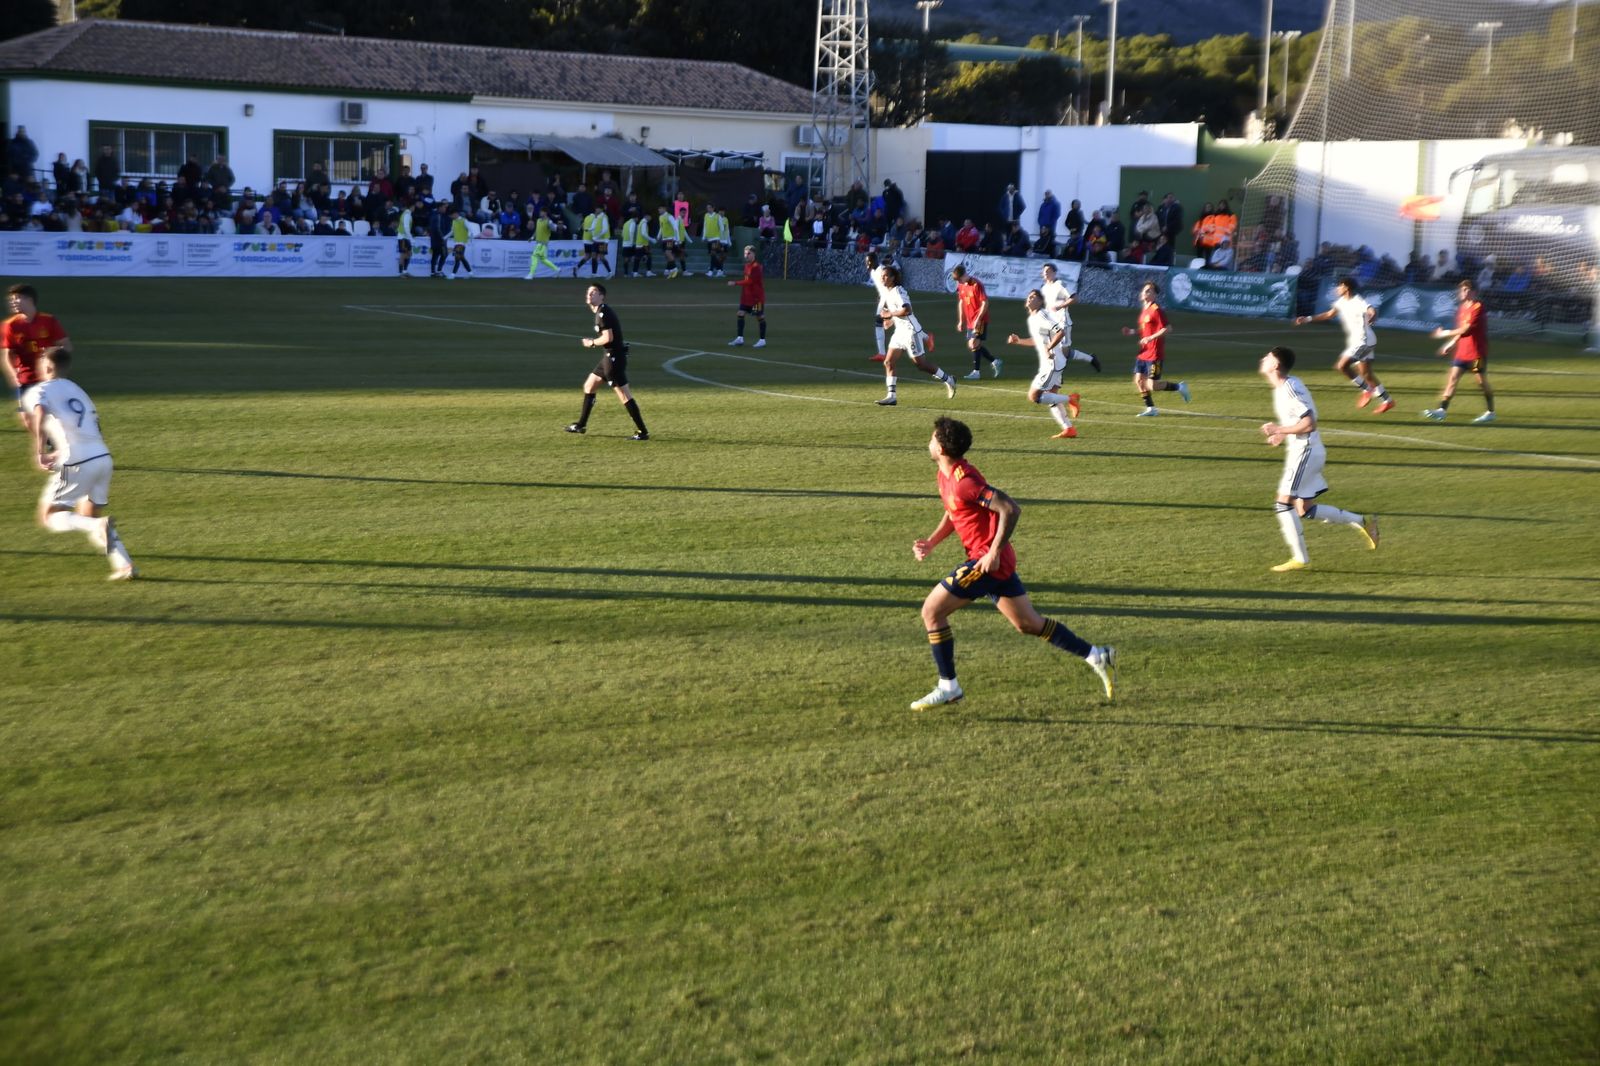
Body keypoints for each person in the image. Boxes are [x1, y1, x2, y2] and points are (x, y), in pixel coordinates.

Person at [908, 416, 1115, 710]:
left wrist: (992, 552)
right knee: (1028, 624)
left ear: (941, 448)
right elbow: (955, 512)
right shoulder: (946, 476)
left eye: (932, 438)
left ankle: (949, 687)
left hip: (986, 563)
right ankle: (1096, 655)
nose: (928, 442)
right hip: (995, 562)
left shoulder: (965, 481)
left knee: (931, 612)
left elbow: (1010, 508)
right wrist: (932, 542)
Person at [1258, 346, 1379, 572]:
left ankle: (1299, 558)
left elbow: (1309, 423)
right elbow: (1301, 422)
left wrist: (1279, 428)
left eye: (1268, 357)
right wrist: (1281, 434)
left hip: (1306, 451)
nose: (1263, 359)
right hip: (1308, 450)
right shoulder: (1284, 387)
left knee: (1283, 503)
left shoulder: (1289, 388)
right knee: (1304, 509)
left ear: (1275, 365)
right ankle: (1361, 521)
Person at [22, 350, 137, 580]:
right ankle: (125, 566)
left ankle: (97, 527)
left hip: (77, 459)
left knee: (50, 516)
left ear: (46, 367)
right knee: (88, 515)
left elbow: (40, 412)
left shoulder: (39, 390)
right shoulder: (78, 390)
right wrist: (61, 450)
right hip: (102, 457)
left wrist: (40, 451)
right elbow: (90, 427)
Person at [1293, 276, 1394, 414]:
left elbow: (1372, 310)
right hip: (1359, 341)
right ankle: (1387, 401)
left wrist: (1372, 317)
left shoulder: (1357, 300)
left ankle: (1366, 390)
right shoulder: (1341, 301)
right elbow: (1329, 314)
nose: (1337, 289)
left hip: (1364, 340)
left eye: (1339, 286)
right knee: (1367, 374)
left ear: (1346, 287)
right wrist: (1308, 319)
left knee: (1342, 365)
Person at [565, 285, 649, 442]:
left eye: (594, 292)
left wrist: (591, 343)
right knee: (589, 386)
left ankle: (642, 431)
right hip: (608, 358)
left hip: (614, 360)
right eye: (588, 292)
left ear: (602, 296)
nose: (589, 294)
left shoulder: (603, 313)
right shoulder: (600, 311)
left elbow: (607, 338)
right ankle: (581, 425)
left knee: (624, 395)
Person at [1004, 289, 1082, 440]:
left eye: (1034, 297)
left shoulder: (1042, 315)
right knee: (1052, 398)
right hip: (1051, 362)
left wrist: (1049, 347)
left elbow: (1060, 332)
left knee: (1034, 396)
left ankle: (1072, 399)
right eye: (1029, 296)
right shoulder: (1032, 319)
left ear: (1040, 302)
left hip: (1052, 362)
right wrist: (1018, 341)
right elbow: (1037, 341)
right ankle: (1069, 429)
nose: (1030, 298)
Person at [876, 264, 956, 406]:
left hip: (910, 332)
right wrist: (890, 320)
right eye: (882, 275)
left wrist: (890, 314)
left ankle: (949, 379)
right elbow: (896, 312)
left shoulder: (898, 291)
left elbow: (907, 310)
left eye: (886, 275)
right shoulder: (887, 293)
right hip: (899, 332)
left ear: (893, 278)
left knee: (921, 365)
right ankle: (891, 396)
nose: (883, 278)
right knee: (888, 362)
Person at [1425, 278, 1496, 423]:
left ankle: (1491, 411)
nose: (1462, 292)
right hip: (1462, 353)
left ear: (1474, 292)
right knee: (1452, 380)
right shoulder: (1462, 309)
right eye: (1462, 290)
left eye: (1466, 290)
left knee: (1481, 383)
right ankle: (1442, 410)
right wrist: (1450, 344)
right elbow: (1461, 332)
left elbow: (1466, 329)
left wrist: (1444, 333)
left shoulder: (1478, 307)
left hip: (1477, 354)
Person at [3, 283, 72, 432]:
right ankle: (48, 444)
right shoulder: (10, 325)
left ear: (29, 300)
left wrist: (53, 358)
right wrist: (13, 374)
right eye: (11, 299)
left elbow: (66, 346)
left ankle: (56, 444)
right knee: (27, 420)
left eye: (17, 298)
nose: (12, 302)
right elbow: (7, 354)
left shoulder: (49, 320)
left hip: (48, 377)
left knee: (53, 413)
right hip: (25, 378)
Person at [1121, 282, 1190, 417]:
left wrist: (1150, 338)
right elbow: (1145, 328)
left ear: (1154, 295)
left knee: (1152, 385)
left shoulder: (1156, 310)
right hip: (1143, 352)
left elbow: (1167, 328)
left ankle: (1180, 387)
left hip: (1154, 353)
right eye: (1144, 290)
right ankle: (1151, 409)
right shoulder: (1145, 310)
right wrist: (1132, 331)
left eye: (1148, 291)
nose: (1145, 293)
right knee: (1139, 381)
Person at [1039, 263, 1101, 372]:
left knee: (1062, 351)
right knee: (1058, 350)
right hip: (1052, 324)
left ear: (1054, 273)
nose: (1046, 273)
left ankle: (1058, 374)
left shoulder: (1060, 284)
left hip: (1063, 322)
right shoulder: (1044, 288)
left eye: (1048, 271)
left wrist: (1060, 306)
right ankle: (1090, 359)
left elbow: (1074, 298)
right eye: (1044, 271)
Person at [951, 265, 1000, 380]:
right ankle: (995, 361)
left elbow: (985, 303)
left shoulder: (977, 285)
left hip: (980, 320)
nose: (958, 282)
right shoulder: (961, 285)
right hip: (969, 320)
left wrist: (978, 319)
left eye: (959, 279)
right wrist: (961, 320)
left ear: (964, 275)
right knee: (973, 345)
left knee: (973, 343)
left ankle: (976, 372)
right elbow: (961, 302)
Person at [726, 245, 767, 348]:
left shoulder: (756, 267)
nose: (746, 255)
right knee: (740, 313)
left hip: (756, 298)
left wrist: (735, 283)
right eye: (745, 253)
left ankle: (762, 340)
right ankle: (740, 338)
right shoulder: (747, 266)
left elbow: (750, 281)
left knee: (759, 316)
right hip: (747, 297)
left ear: (754, 254)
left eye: (749, 253)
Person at [524, 207, 559, 279]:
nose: (540, 213)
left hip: (543, 244)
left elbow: (554, 229)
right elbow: (537, 231)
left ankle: (531, 274)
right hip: (538, 243)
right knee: (543, 259)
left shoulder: (548, 221)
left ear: (545, 213)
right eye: (540, 212)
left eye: (542, 212)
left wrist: (552, 224)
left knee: (534, 256)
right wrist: (532, 237)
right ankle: (557, 269)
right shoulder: (538, 220)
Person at [577, 205, 612, 277]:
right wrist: (588, 229)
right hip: (596, 241)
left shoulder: (604, 217)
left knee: (602, 257)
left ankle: (610, 272)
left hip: (603, 241)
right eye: (596, 208)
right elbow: (593, 227)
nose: (596, 210)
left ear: (601, 209)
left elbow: (605, 229)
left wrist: (597, 236)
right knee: (593, 256)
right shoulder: (597, 217)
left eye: (598, 208)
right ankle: (594, 273)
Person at [656, 205, 690, 278]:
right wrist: (658, 236)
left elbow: (675, 228)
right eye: (658, 209)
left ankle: (674, 268)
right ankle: (671, 270)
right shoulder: (660, 217)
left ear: (664, 208)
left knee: (668, 253)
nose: (659, 210)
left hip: (670, 238)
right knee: (667, 255)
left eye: (660, 208)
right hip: (664, 239)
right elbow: (661, 228)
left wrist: (677, 239)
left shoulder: (670, 216)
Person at [447, 206, 474, 279]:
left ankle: (452, 275)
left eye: (451, 215)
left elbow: (471, 230)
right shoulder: (454, 221)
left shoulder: (464, 220)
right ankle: (470, 273)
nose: (451, 217)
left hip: (462, 243)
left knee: (457, 258)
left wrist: (470, 240)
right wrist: (445, 237)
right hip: (456, 243)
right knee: (462, 258)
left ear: (455, 213)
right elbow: (452, 231)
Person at [426, 200, 449, 277]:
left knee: (435, 255)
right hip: (439, 240)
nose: (445, 209)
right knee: (444, 254)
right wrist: (442, 238)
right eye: (444, 207)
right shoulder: (438, 216)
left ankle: (433, 272)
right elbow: (437, 228)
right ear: (439, 208)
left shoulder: (434, 215)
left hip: (434, 239)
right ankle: (439, 271)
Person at [395, 200, 415, 277]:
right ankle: (400, 273)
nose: (414, 208)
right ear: (411, 207)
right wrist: (411, 238)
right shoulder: (407, 215)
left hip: (405, 237)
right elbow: (406, 227)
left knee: (408, 253)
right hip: (403, 237)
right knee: (403, 254)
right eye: (413, 207)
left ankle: (405, 271)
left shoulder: (406, 214)